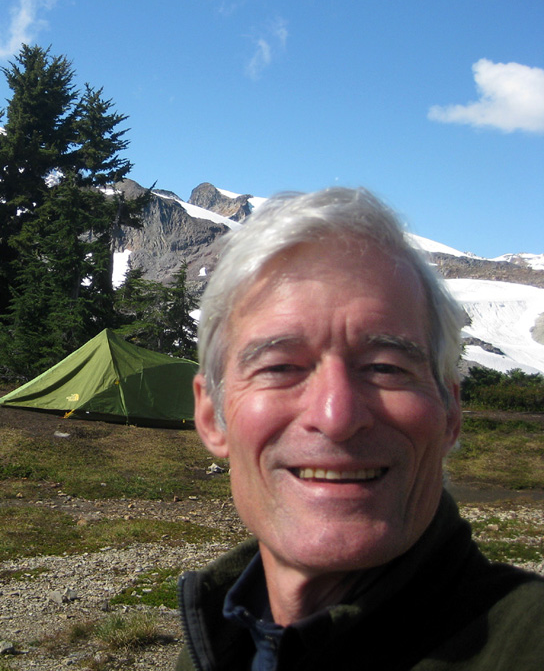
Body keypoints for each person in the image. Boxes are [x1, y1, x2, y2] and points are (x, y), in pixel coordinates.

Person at [176, 187, 544, 670]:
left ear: (451, 414)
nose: (337, 416)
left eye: (386, 368)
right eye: (280, 367)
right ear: (211, 417)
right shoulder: (214, 646)